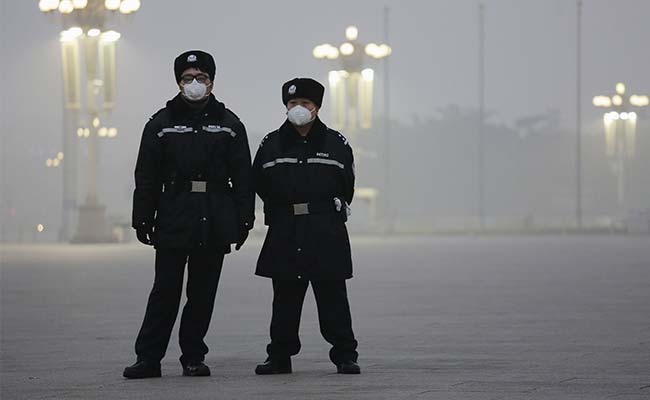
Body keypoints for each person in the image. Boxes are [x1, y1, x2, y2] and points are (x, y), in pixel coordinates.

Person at [123, 50, 254, 379]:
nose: (194, 84)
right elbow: (146, 175)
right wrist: (142, 217)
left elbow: (243, 178)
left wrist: (244, 220)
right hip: (173, 215)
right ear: (178, 82)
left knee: (202, 294)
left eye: (201, 78)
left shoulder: (229, 124)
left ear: (211, 82)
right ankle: (148, 358)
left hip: (213, 217)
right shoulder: (161, 123)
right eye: (187, 78)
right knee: (164, 291)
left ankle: (193, 356)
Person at [252, 77, 360, 375]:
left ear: (317, 107)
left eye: (305, 104)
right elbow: (259, 182)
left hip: (325, 229)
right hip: (286, 228)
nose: (298, 108)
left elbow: (347, 183)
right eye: (292, 103)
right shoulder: (271, 143)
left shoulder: (336, 143)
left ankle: (345, 355)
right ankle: (279, 356)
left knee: (332, 297)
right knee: (285, 298)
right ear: (285, 106)